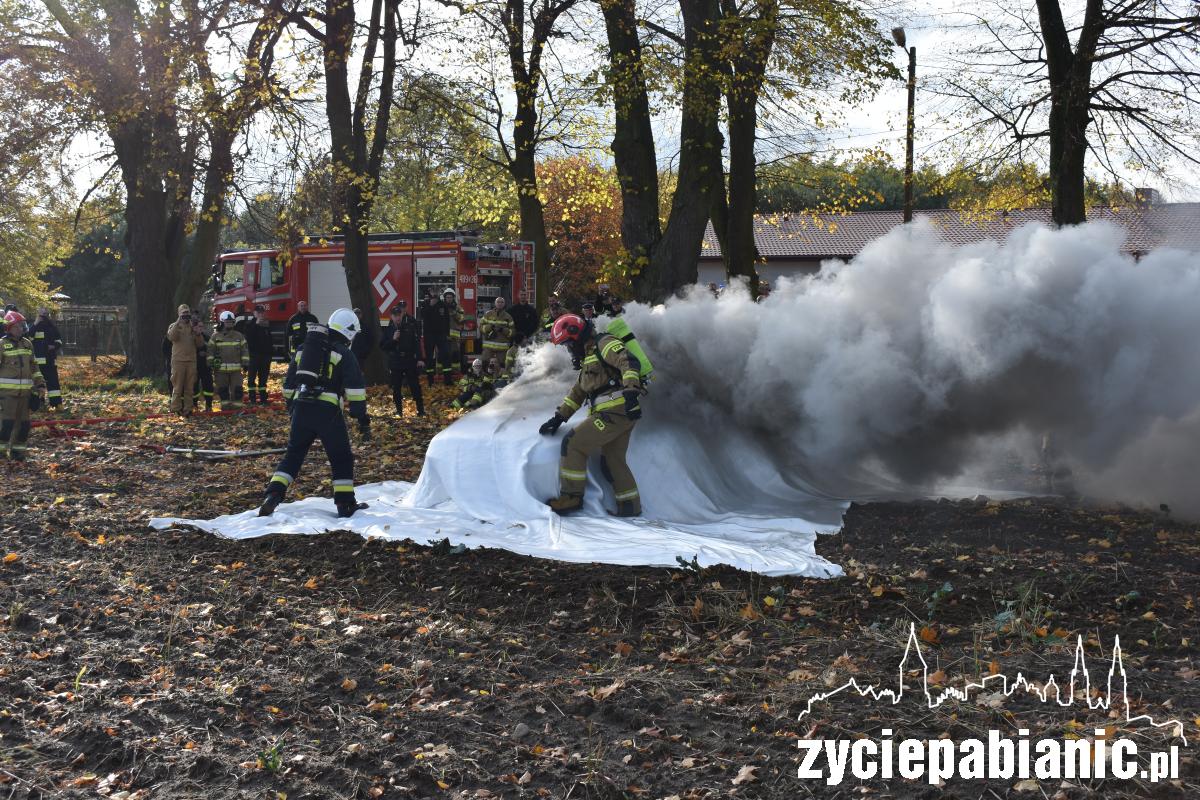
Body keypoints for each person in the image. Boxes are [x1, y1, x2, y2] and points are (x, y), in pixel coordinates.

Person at [258, 308, 369, 518]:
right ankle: (345, 504)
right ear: (349, 332)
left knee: (293, 455)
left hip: (301, 408)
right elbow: (355, 388)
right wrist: (360, 417)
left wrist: (294, 409)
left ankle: (272, 494)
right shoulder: (344, 353)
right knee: (341, 457)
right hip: (328, 414)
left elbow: (288, 386)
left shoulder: (303, 349)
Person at [538, 313, 643, 516]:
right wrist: (559, 417)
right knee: (613, 460)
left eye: (568, 343)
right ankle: (630, 507)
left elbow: (628, 362)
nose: (568, 349)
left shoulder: (604, 343)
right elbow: (579, 391)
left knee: (573, 443)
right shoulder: (590, 355)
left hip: (615, 411)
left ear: (576, 335)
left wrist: (631, 391)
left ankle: (571, 497)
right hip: (620, 413)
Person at [0, 311, 46, 461]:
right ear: (10, 327)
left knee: (24, 426)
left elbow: (34, 367)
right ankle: (1, 453)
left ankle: (17, 453)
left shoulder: (27, 343)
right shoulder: (2, 345)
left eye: (22, 325)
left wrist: (40, 385)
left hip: (25, 395)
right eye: (18, 325)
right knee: (6, 425)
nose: (22, 328)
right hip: (7, 395)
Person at [380, 301, 425, 417]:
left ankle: (421, 410)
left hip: (409, 360)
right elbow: (383, 346)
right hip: (395, 362)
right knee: (396, 388)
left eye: (399, 315)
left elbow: (416, 344)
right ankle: (399, 411)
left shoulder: (409, 327)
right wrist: (393, 340)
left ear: (402, 315)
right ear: (391, 316)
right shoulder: (388, 330)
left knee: (415, 386)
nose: (397, 317)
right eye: (395, 315)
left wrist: (419, 359)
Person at [166, 304, 205, 416]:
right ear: (179, 314)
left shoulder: (193, 327)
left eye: (187, 313)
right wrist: (178, 322)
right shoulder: (174, 326)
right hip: (178, 361)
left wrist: (198, 334)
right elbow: (171, 337)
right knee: (177, 387)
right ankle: (175, 408)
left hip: (191, 361)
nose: (186, 316)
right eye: (183, 314)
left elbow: (200, 344)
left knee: (189, 387)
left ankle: (188, 408)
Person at [210, 310, 249, 409]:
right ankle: (225, 408)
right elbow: (210, 352)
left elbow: (244, 350)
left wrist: (245, 363)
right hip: (220, 370)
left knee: (237, 390)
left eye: (231, 322)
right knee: (223, 390)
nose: (229, 324)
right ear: (222, 322)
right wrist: (210, 364)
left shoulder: (239, 336)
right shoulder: (215, 336)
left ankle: (237, 408)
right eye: (227, 322)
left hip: (235, 370)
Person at [29, 307, 64, 410]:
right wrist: (35, 323)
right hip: (37, 363)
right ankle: (38, 403)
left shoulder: (52, 327)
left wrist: (54, 346)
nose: (43, 318)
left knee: (53, 383)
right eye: (41, 315)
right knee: (38, 383)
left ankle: (56, 404)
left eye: (45, 315)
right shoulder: (33, 326)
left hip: (49, 361)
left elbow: (59, 341)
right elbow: (29, 338)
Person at [419, 289, 454, 385]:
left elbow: (447, 321)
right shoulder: (425, 304)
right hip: (429, 335)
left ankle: (448, 380)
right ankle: (430, 381)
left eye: (437, 292)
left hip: (441, 335)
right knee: (429, 358)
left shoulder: (443, 305)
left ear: (439, 293)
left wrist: (447, 335)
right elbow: (422, 315)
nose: (435, 294)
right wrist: (431, 305)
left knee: (446, 356)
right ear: (430, 293)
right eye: (433, 292)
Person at [242, 304, 274, 404]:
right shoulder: (249, 324)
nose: (260, 314)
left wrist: (270, 353)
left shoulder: (266, 324)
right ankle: (252, 399)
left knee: (263, 378)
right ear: (254, 313)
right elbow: (249, 338)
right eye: (258, 312)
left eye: (262, 312)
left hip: (265, 356)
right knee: (251, 378)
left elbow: (269, 339)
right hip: (253, 355)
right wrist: (256, 324)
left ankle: (263, 398)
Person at [480, 296, 515, 361]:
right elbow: (481, 327)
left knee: (500, 368)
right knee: (485, 365)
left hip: (502, 349)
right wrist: (490, 327)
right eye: (498, 302)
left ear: (504, 304)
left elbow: (512, 332)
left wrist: (503, 330)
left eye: (502, 302)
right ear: (495, 303)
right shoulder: (488, 314)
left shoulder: (508, 317)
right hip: (488, 348)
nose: (500, 303)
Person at [445, 290, 469, 372]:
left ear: (453, 298)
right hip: (444, 335)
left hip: (455, 336)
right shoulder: (442, 307)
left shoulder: (458, 308)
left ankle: (456, 372)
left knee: (455, 354)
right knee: (442, 354)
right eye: (447, 297)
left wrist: (454, 312)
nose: (449, 299)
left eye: (450, 297)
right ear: (444, 298)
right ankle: (440, 373)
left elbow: (462, 319)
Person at [194, 327, 215, 412]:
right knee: (194, 387)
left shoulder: (206, 337)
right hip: (194, 366)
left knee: (208, 386)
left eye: (201, 326)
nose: (199, 329)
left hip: (206, 366)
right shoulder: (190, 337)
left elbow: (212, 349)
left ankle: (209, 405)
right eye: (197, 326)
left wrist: (206, 353)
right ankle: (194, 405)